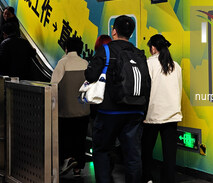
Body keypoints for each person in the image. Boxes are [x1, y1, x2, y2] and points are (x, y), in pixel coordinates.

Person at [85, 15, 151, 183]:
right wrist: (143, 112)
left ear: (114, 31)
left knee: (102, 151)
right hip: (135, 110)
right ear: (130, 33)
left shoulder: (106, 50)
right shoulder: (139, 53)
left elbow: (91, 75)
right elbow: (148, 84)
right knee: (133, 156)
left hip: (110, 111)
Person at [142, 34, 182, 183]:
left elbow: (145, 89)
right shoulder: (175, 66)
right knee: (170, 154)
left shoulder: (148, 64)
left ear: (153, 48)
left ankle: (148, 179)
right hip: (172, 115)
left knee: (146, 151)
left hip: (152, 115)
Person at [51, 37, 90, 177]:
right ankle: (78, 168)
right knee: (80, 138)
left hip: (65, 111)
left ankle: (67, 160)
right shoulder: (85, 63)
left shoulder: (63, 63)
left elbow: (53, 85)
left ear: (66, 48)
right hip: (83, 110)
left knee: (65, 138)